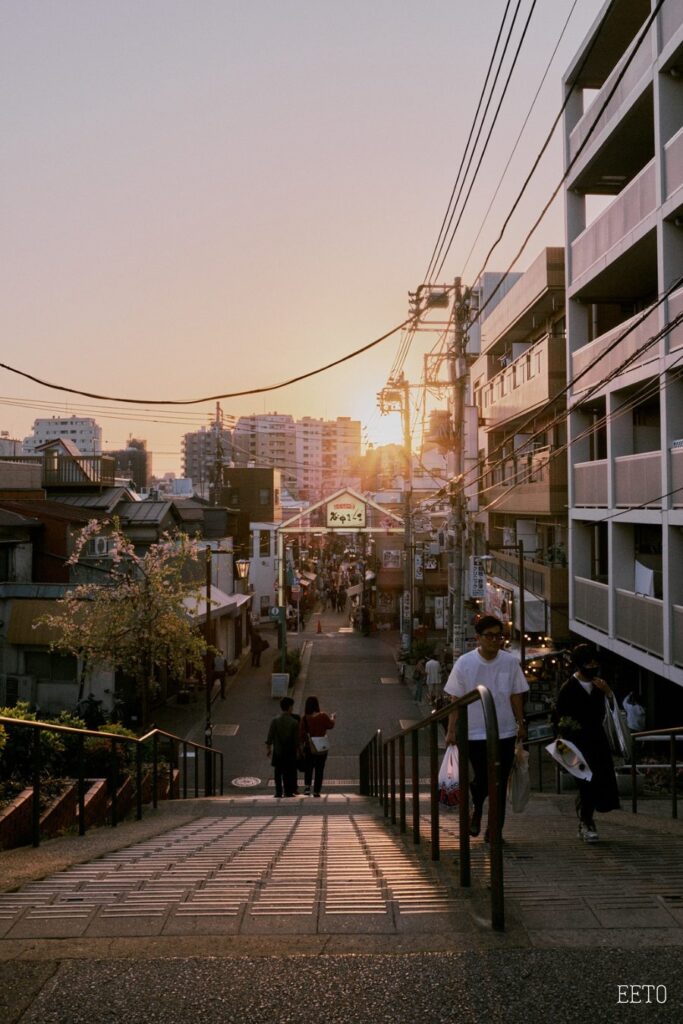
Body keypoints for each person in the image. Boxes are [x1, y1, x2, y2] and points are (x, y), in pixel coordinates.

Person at [444, 615, 528, 841]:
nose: (494, 640)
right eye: (489, 636)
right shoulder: (465, 662)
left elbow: (516, 695)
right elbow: (455, 698)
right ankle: (477, 808)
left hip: (505, 731)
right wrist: (451, 730)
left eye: (498, 636)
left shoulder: (510, 662)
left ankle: (495, 830)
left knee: (499, 781)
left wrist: (521, 723)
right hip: (473, 732)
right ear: (478, 638)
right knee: (482, 778)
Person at [555, 644, 620, 843]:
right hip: (575, 742)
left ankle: (586, 819)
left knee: (597, 781)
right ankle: (586, 822)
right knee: (586, 783)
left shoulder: (600, 685)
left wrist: (608, 693)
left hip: (598, 741)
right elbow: (559, 719)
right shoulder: (568, 688)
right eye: (588, 663)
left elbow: (612, 712)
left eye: (594, 662)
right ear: (578, 664)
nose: (592, 666)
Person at [300, 695, 336, 797]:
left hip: (309, 747)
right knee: (320, 769)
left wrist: (301, 746)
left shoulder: (304, 719)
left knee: (309, 767)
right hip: (321, 747)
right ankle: (316, 791)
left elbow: (301, 735)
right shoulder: (323, 716)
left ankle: (307, 788)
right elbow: (331, 725)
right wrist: (333, 717)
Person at [265, 696, 300, 798]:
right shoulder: (294, 722)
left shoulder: (275, 721)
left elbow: (270, 736)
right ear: (289, 707)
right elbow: (296, 740)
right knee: (288, 771)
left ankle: (278, 791)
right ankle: (288, 791)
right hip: (290, 751)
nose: (292, 708)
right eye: (292, 707)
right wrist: (298, 751)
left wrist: (268, 748)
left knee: (278, 772)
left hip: (278, 750)